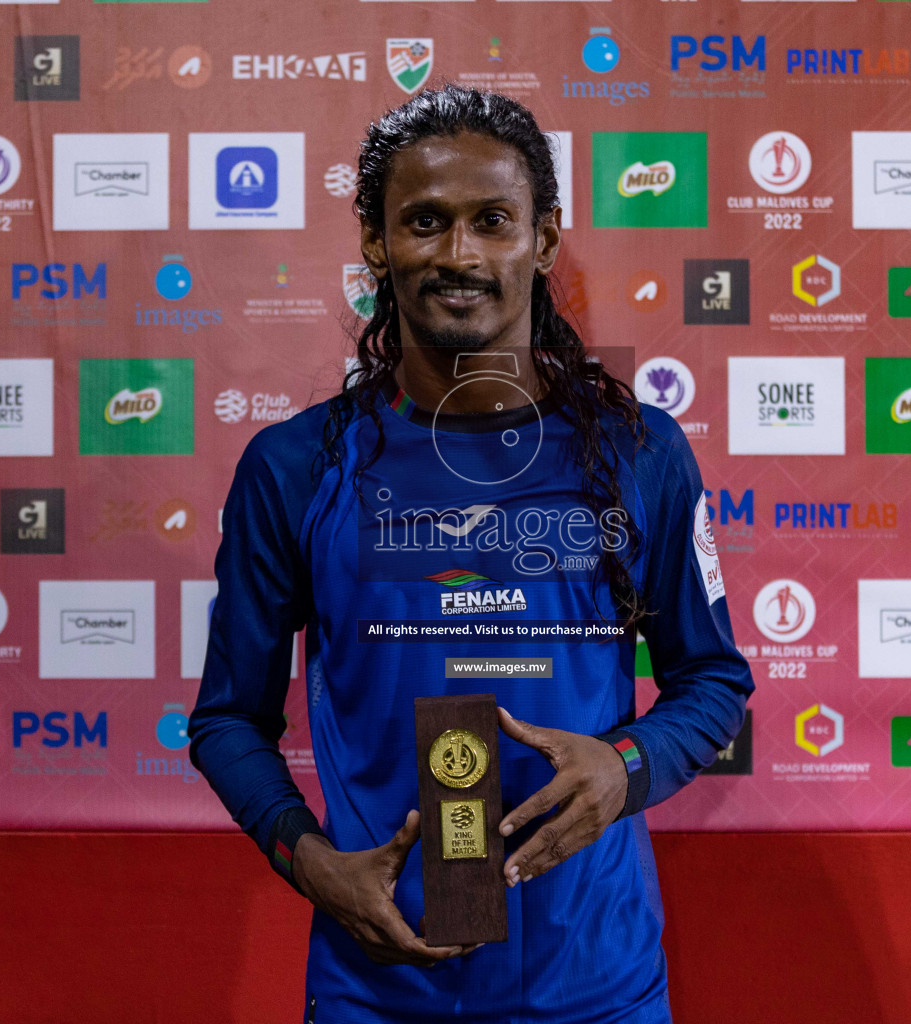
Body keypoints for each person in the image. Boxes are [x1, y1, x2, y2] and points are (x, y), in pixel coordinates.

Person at [190, 83, 755, 1023]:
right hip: (380, 988)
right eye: (425, 222)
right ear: (375, 241)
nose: (460, 255)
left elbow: (713, 682)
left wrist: (626, 767)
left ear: (543, 237)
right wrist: (312, 863)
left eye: (493, 220)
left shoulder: (642, 453)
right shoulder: (294, 468)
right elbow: (226, 722)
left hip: (597, 987)